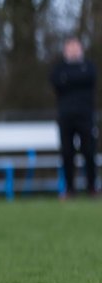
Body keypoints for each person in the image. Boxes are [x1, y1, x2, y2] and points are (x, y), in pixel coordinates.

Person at [49, 37, 97, 196]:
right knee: (67, 153)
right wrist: (74, 80)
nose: (73, 50)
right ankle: (70, 189)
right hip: (66, 116)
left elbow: (90, 79)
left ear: (81, 49)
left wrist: (69, 80)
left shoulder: (89, 66)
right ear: (65, 50)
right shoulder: (59, 68)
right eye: (70, 48)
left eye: (76, 47)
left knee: (89, 151)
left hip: (85, 116)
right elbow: (56, 82)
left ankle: (92, 187)